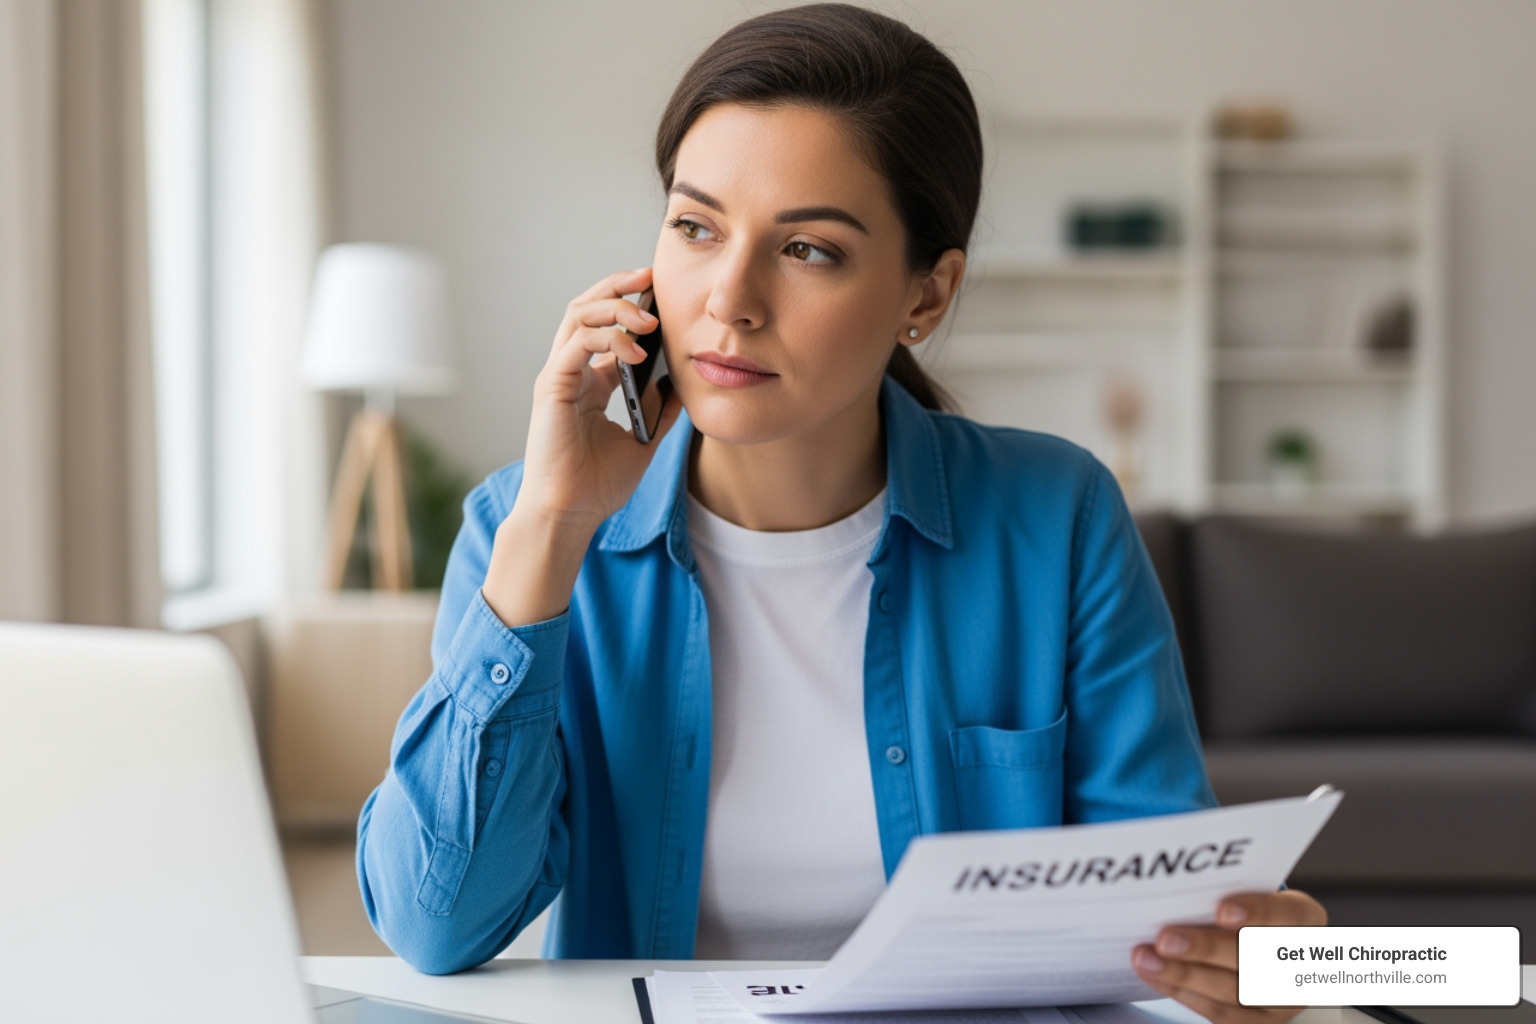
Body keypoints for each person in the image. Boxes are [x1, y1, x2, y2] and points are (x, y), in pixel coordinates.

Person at [357, 5, 1325, 1021]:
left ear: (927, 293)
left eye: (809, 249)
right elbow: (436, 924)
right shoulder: (525, 526)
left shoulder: (1059, 516)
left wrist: (1281, 961)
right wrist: (553, 528)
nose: (729, 297)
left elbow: (1167, 915)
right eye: (695, 226)